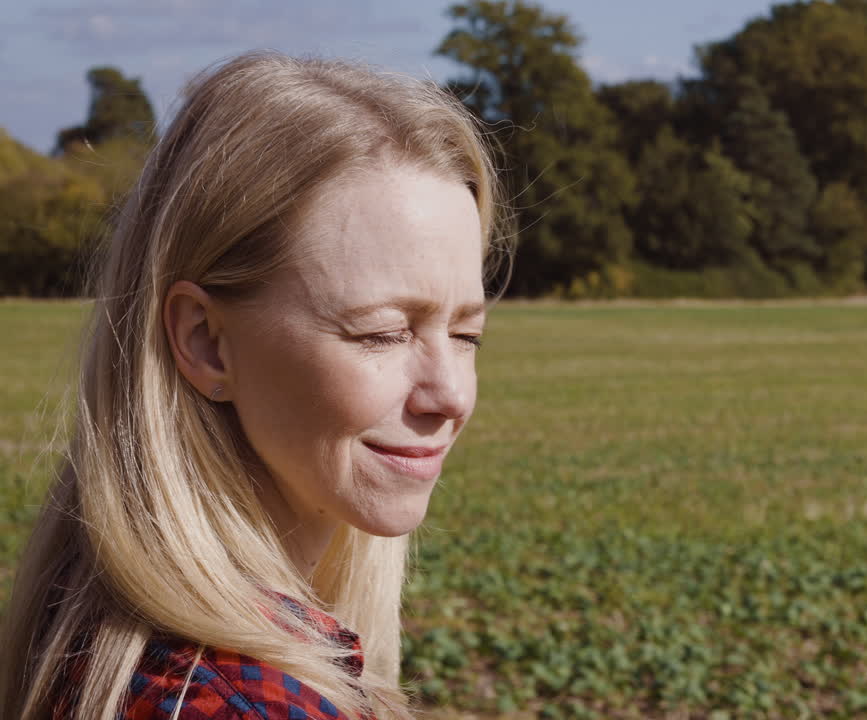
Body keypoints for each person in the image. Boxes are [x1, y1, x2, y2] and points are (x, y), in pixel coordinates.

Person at [0, 51, 509, 720]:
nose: (451, 396)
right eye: (383, 333)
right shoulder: (235, 704)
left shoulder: (85, 621)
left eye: (467, 335)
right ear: (206, 343)